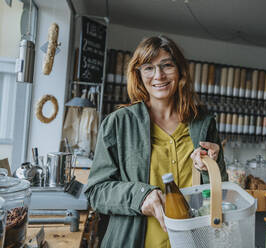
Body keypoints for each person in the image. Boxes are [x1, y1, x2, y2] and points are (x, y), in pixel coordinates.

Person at [85, 35, 228, 248]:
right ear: (139, 75)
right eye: (148, 68)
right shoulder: (119, 123)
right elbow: (96, 192)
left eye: (166, 66)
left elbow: (220, 193)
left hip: (194, 242)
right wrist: (141, 197)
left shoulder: (203, 124)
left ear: (180, 71)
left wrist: (209, 168)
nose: (158, 75)